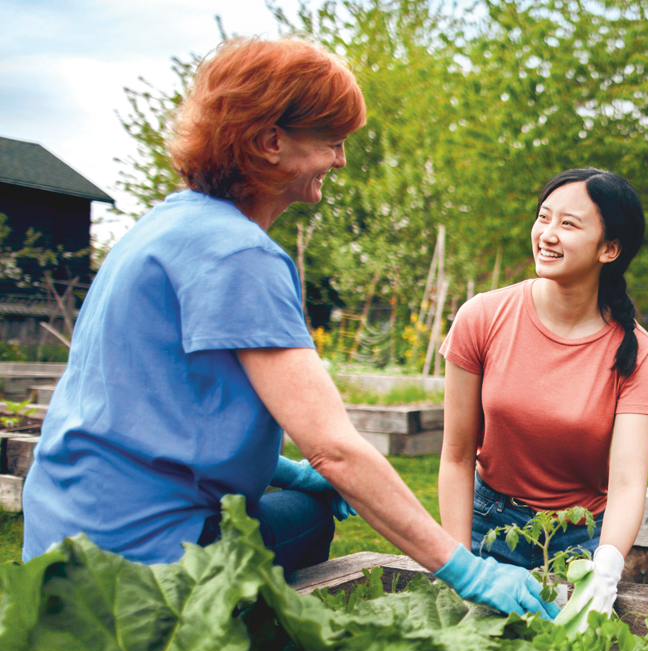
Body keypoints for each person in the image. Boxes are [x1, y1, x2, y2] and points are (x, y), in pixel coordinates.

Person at [21, 37, 554, 619]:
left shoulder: (163, 228)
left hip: (63, 539)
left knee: (294, 494)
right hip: (144, 562)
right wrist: (467, 570)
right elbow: (336, 451)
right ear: (271, 141)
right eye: (332, 140)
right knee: (311, 515)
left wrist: (287, 470)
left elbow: (157, 410)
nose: (341, 159)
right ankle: (232, 646)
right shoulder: (240, 256)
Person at [437, 168, 648, 618]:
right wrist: (460, 562)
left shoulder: (638, 353)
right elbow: (457, 455)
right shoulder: (481, 317)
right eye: (544, 218)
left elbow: (626, 482)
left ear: (609, 249)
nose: (548, 234)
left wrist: (608, 567)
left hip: (580, 542)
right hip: (489, 526)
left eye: (569, 224)